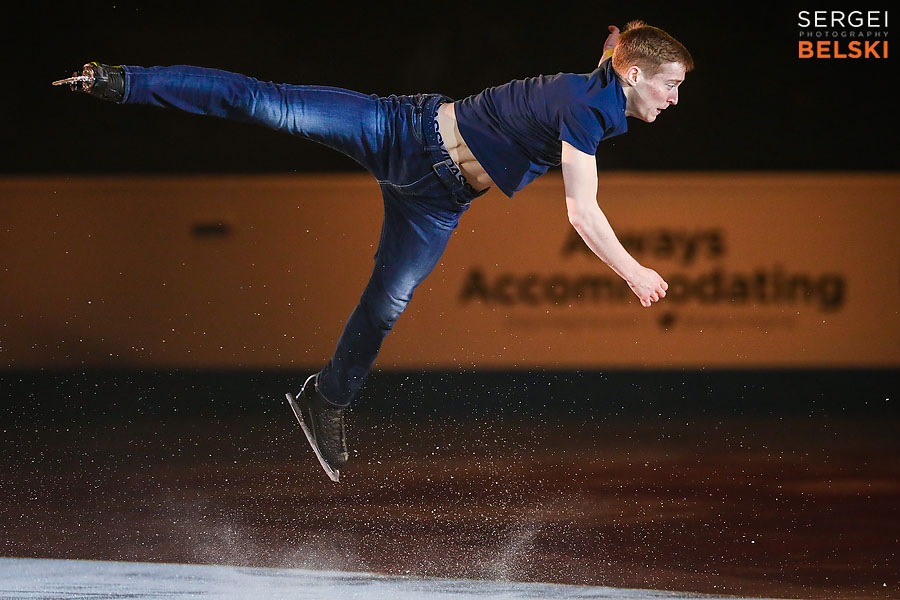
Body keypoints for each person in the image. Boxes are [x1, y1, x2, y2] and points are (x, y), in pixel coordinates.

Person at [54, 20, 693, 482]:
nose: (673, 98)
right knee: (265, 103)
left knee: (386, 306)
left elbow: (614, 47)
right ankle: (120, 81)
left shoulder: (605, 83)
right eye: (669, 84)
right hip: (403, 130)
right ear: (634, 75)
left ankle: (326, 400)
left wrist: (621, 38)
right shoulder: (588, 107)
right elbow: (581, 211)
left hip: (438, 200)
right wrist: (633, 272)